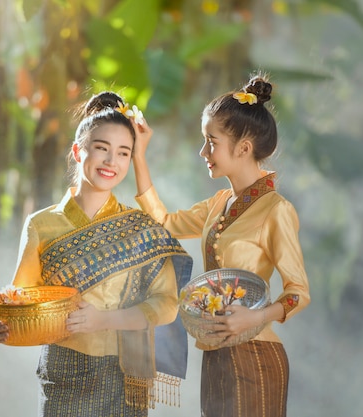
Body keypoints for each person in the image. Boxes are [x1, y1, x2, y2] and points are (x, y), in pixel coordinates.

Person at [0, 91, 193, 417]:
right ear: (78, 151)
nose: (111, 162)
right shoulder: (41, 224)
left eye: (123, 153)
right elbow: (22, 300)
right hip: (62, 371)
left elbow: (167, 304)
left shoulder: (140, 227)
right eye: (102, 148)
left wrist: (104, 320)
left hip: (123, 375)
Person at [132, 74, 310, 417]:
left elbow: (298, 293)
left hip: (256, 354)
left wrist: (253, 317)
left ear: (243, 148)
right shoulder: (218, 205)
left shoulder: (277, 210)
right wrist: (139, 155)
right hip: (216, 354)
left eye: (211, 141)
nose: (204, 152)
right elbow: (165, 223)